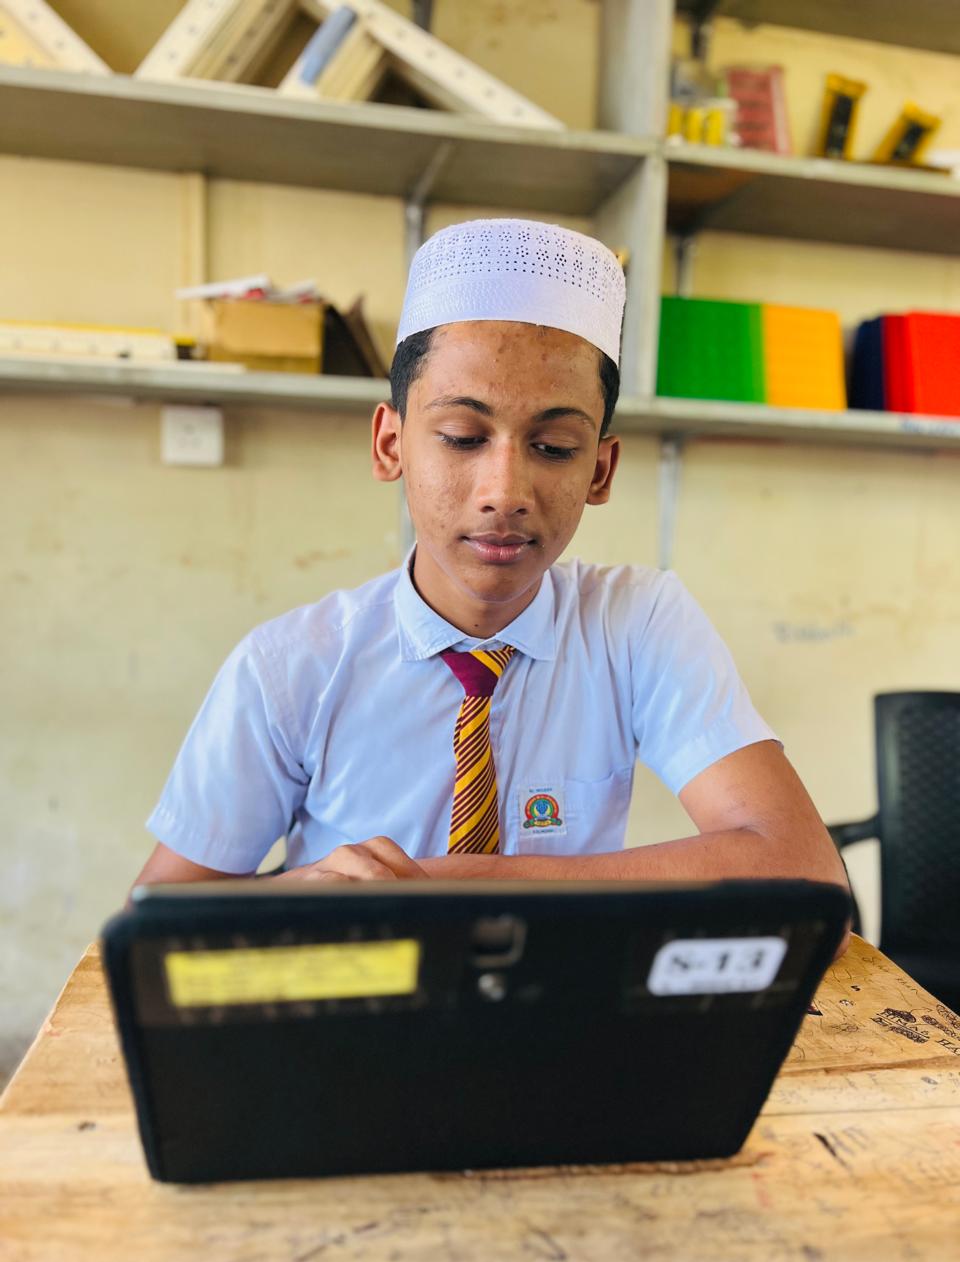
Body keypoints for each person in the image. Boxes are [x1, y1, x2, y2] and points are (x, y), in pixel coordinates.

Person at [133, 218, 848, 920]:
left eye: (555, 447)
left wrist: (450, 885)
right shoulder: (291, 668)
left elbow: (806, 878)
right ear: (391, 445)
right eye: (461, 436)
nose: (505, 493)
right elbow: (156, 918)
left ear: (601, 471)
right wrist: (297, 895)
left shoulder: (635, 623)